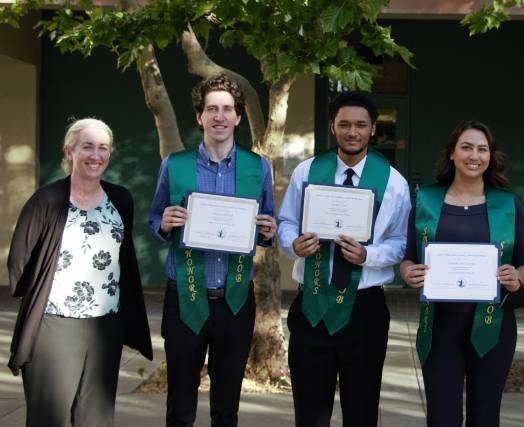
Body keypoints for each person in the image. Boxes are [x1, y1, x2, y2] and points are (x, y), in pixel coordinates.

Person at [148, 74, 276, 426]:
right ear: (200, 117)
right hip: (185, 296)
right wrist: (164, 223)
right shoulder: (175, 164)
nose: (219, 116)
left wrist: (268, 231)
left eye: (227, 109)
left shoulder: (257, 166)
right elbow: (155, 218)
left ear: (237, 117)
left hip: (235, 299)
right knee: (180, 405)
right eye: (211, 109)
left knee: (226, 406)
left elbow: (266, 224)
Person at [277, 91, 411, 426]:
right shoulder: (308, 172)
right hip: (312, 306)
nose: (353, 132)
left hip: (364, 310)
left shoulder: (394, 182)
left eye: (361, 125)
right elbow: (286, 222)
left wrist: (369, 255)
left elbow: (401, 242)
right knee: (310, 411)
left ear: (372, 129)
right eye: (345, 124)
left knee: (362, 410)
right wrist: (294, 244)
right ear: (333, 127)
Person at [7, 118, 153, 426]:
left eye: (103, 148)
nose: (95, 155)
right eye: (87, 147)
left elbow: (123, 258)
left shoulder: (121, 199)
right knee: (50, 417)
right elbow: (19, 262)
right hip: (55, 326)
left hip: (105, 328)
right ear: (70, 151)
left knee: (95, 418)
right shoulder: (46, 200)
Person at [399, 120, 524, 426]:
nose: (475, 155)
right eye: (466, 147)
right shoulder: (427, 200)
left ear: (490, 157)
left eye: (482, 149)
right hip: (439, 325)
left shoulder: (508, 203)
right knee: (442, 417)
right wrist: (409, 272)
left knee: (485, 417)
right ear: (451, 154)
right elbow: (408, 258)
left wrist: (517, 277)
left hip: (492, 325)